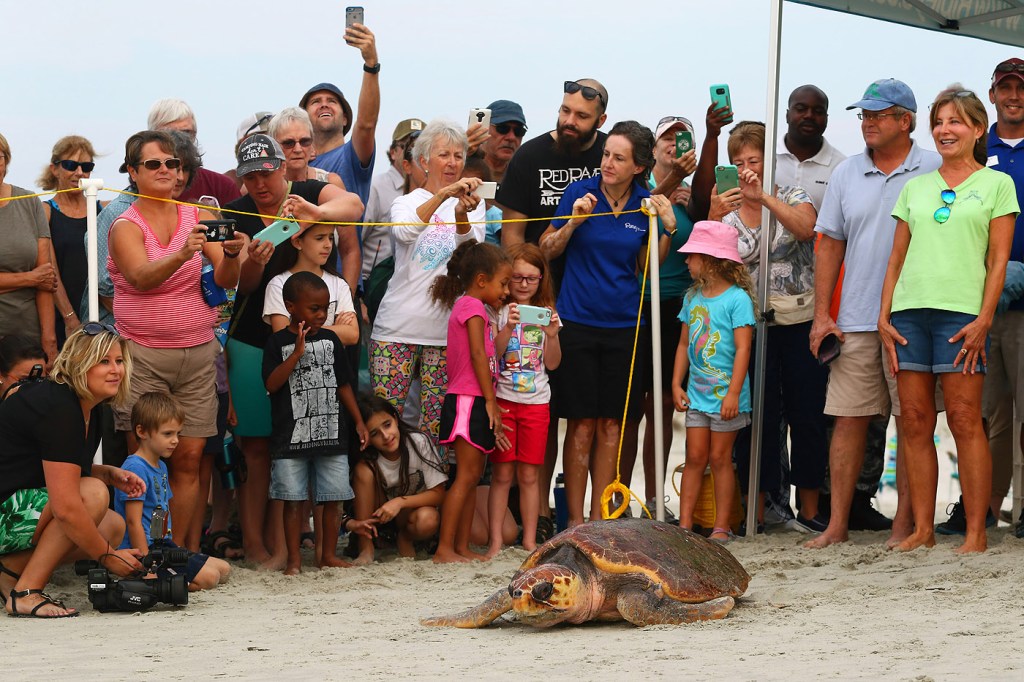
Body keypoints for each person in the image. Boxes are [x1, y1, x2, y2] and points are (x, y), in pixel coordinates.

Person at [878, 86, 1017, 554]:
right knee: (915, 422)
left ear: (978, 129)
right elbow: (895, 259)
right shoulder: (914, 188)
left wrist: (984, 320)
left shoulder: (998, 185)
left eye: (955, 121)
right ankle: (924, 529)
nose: (944, 130)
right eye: (938, 122)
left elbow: (998, 262)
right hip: (907, 315)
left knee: (963, 419)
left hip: (962, 316)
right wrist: (883, 316)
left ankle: (976, 533)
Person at [806, 79, 942, 549]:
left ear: (906, 120)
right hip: (856, 317)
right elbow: (829, 245)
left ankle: (905, 524)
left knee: (913, 422)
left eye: (878, 114)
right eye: (864, 114)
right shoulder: (846, 172)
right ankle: (837, 525)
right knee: (848, 420)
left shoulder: (935, 167)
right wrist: (822, 315)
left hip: (914, 314)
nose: (867, 122)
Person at [224, 133, 363, 568]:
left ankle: (287, 544)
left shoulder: (307, 192)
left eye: (266, 173)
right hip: (252, 338)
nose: (259, 184)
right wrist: (255, 261)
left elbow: (354, 206)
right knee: (256, 448)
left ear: (283, 167)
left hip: (306, 343)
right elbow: (241, 286)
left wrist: (316, 213)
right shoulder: (237, 211)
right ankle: (256, 545)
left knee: (298, 444)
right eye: (250, 176)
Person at [107, 130, 244, 552]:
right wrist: (184, 253)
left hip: (198, 352)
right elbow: (140, 278)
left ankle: (182, 554)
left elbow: (226, 282)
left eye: (173, 163)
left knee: (189, 459)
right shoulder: (124, 224)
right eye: (154, 163)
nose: (166, 170)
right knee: (143, 462)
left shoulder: (198, 215)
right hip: (143, 354)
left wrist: (234, 255)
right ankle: (146, 551)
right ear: (133, 172)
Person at [539, 120, 677, 525]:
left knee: (613, 425)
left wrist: (667, 229)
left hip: (625, 326)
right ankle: (574, 521)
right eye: (606, 154)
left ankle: (600, 520)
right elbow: (546, 249)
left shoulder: (645, 201)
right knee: (581, 424)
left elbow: (648, 267)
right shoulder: (579, 192)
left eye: (619, 158)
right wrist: (573, 222)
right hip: (577, 321)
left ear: (639, 166)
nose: (608, 163)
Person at [709, 120, 825, 533]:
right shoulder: (725, 206)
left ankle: (809, 509)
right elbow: (707, 263)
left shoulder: (791, 194)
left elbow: (807, 229)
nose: (746, 170)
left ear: (769, 162)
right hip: (747, 326)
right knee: (756, 417)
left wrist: (764, 199)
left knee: (806, 412)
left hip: (797, 318)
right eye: (738, 162)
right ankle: (757, 511)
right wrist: (713, 215)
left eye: (754, 160)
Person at [0, 324, 144, 618]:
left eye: (119, 361)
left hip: (14, 507)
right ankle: (26, 592)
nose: (115, 370)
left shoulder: (89, 404)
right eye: (103, 361)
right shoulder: (59, 405)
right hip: (6, 510)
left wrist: (107, 473)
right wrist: (108, 557)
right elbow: (65, 506)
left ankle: (7, 573)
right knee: (91, 496)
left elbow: (43, 464)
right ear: (80, 364)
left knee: (112, 526)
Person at [368, 120, 486, 443]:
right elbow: (405, 232)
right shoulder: (405, 202)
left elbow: (471, 257)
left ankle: (429, 479)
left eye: (458, 156)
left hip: (445, 334)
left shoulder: (474, 204)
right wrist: (444, 195)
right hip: (395, 331)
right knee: (384, 425)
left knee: (435, 431)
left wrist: (460, 214)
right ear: (423, 161)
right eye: (443, 155)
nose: (452, 163)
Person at [262, 272, 368, 574]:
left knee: (334, 497)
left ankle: (328, 555)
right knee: (292, 500)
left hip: (332, 431)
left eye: (325, 308)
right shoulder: (276, 342)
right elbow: (271, 384)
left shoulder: (331, 339)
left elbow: (343, 383)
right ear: (290, 306)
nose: (322, 315)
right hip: (290, 435)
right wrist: (296, 354)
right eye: (314, 308)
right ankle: (294, 561)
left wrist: (358, 421)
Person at [672, 221, 757, 542]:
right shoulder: (693, 297)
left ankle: (722, 526)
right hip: (697, 395)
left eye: (691, 256)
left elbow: (743, 349)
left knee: (721, 459)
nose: (686, 261)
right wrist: (676, 384)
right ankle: (685, 525)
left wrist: (734, 393)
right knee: (694, 458)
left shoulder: (737, 300)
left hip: (726, 398)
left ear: (710, 260)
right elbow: (683, 343)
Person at [631, 115, 698, 512]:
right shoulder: (639, 187)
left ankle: (656, 498)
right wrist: (669, 187)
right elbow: (633, 218)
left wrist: (697, 208)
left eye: (682, 138)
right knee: (630, 409)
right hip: (638, 301)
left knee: (662, 406)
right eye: (667, 138)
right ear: (653, 149)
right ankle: (619, 495)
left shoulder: (692, 192)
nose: (674, 144)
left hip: (679, 304)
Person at [429, 240, 511, 562]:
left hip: (476, 398)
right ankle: (444, 548)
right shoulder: (471, 307)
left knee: (473, 477)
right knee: (464, 477)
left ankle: (461, 547)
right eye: (503, 283)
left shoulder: (479, 309)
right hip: (468, 399)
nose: (506, 291)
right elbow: (477, 354)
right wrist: (490, 401)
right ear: (481, 280)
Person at [114, 391, 230, 590]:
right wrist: (148, 566)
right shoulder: (135, 467)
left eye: (177, 433)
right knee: (210, 579)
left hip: (163, 545)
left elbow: (160, 512)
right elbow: (133, 521)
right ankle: (155, 581)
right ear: (142, 431)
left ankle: (172, 575)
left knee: (224, 569)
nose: (176, 440)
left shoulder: (161, 466)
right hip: (144, 550)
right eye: (168, 434)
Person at [487, 244, 560, 555]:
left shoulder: (547, 313)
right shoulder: (498, 311)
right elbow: (493, 354)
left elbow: (553, 364)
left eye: (532, 278)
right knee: (502, 474)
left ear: (541, 279)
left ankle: (530, 540)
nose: (524, 284)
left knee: (530, 475)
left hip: (537, 402)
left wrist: (552, 335)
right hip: (504, 400)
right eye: (517, 277)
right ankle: (494, 541)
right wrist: (508, 327)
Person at [978, 57, 1024, 537]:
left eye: (1022, 88)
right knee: (988, 413)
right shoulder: (975, 146)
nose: (1014, 96)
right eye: (1005, 87)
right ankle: (984, 509)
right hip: (980, 302)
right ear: (992, 94)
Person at [352, 396, 446, 564]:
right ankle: (366, 546)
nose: (385, 436)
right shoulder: (368, 462)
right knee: (363, 471)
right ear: (367, 438)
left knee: (428, 519)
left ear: (395, 419)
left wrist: (399, 502)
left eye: (387, 425)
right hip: (382, 521)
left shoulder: (418, 442)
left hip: (414, 516)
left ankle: (405, 537)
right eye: (375, 433)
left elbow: (439, 494)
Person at [299, 19, 380, 208]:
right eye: (316, 102)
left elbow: (366, 125)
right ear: (304, 120)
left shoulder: (351, 155)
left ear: (345, 119)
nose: (324, 105)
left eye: (332, 101)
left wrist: (371, 65)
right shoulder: (292, 163)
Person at [39, 135, 104, 341]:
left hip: (101, 316)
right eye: (70, 165)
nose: (79, 172)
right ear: (54, 169)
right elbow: (50, 269)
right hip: (61, 317)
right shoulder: (46, 212)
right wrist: (70, 319)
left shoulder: (102, 210)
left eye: (86, 166)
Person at [0, 132, 58, 365]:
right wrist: (30, 278)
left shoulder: (29, 201)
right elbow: (39, 278)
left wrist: (49, 340)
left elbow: (45, 278)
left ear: (6, 160)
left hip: (26, 336)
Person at [262, 223, 358, 345]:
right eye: (319, 238)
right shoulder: (278, 284)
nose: (328, 245)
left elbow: (352, 335)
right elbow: (285, 338)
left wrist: (300, 331)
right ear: (297, 242)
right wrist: (336, 330)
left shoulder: (339, 284)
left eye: (331, 238)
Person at [362, 118, 424, 287]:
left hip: (417, 281)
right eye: (407, 147)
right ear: (393, 152)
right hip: (376, 282)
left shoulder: (434, 190)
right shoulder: (376, 187)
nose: (415, 153)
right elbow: (356, 238)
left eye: (422, 148)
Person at [146, 98, 241, 206]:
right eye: (169, 133)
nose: (179, 139)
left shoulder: (221, 186)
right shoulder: (137, 189)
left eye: (186, 133)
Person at [776, 85, 847, 212]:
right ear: (787, 115)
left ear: (826, 119)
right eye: (801, 109)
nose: (809, 115)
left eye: (818, 111)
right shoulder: (765, 156)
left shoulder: (841, 167)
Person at [269, 108, 345, 189]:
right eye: (289, 143)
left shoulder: (331, 182)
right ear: (274, 146)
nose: (298, 149)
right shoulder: (265, 186)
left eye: (304, 141)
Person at [478, 100, 528, 185]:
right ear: (484, 129)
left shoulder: (527, 175)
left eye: (518, 131)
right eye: (502, 129)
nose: (511, 137)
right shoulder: (461, 167)